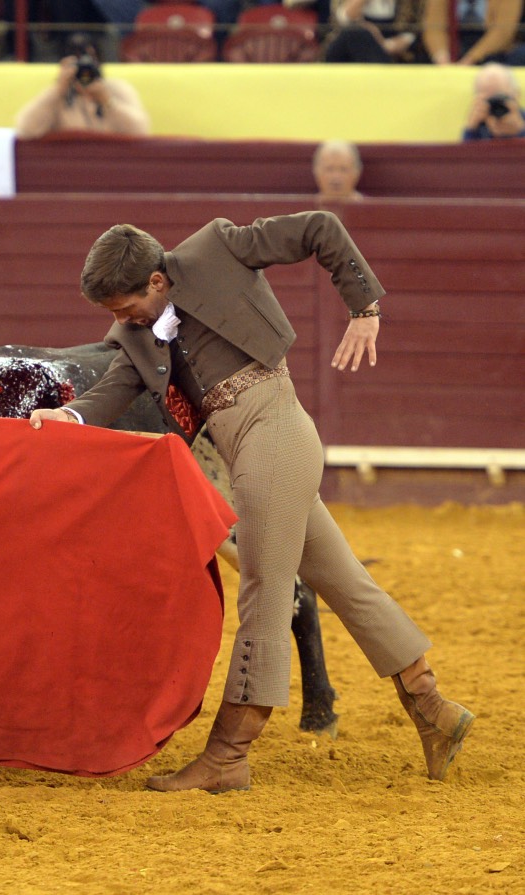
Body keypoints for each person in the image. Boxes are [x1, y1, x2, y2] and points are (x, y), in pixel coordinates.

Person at [29, 212, 475, 792]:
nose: (120, 321)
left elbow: (319, 226)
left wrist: (365, 308)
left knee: (264, 588)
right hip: (249, 451)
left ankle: (228, 754)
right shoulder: (137, 333)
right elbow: (118, 384)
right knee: (345, 583)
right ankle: (433, 707)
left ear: (157, 282)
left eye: (123, 307)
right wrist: (68, 416)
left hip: (276, 431)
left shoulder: (217, 248)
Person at [14, 32, 150, 139]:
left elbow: (141, 131)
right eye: (79, 63)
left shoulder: (117, 89)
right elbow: (25, 129)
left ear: (100, 63)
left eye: (90, 62)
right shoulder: (58, 94)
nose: (84, 70)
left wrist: (107, 101)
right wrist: (57, 91)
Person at [321, 0, 427, 63]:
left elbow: (413, 32)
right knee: (356, 33)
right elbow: (342, 19)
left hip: (390, 52)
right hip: (347, 50)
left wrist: (385, 45)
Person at [421, 0, 522, 64]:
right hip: (453, 41)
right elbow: (433, 27)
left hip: (489, 49)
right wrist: (441, 57)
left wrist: (471, 59)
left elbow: (502, 32)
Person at [461, 62, 525, 139]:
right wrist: (471, 128)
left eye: (501, 98)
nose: (495, 106)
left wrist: (521, 131)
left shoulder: (521, 117)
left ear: (516, 95)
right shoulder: (479, 123)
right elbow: (465, 150)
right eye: (489, 100)